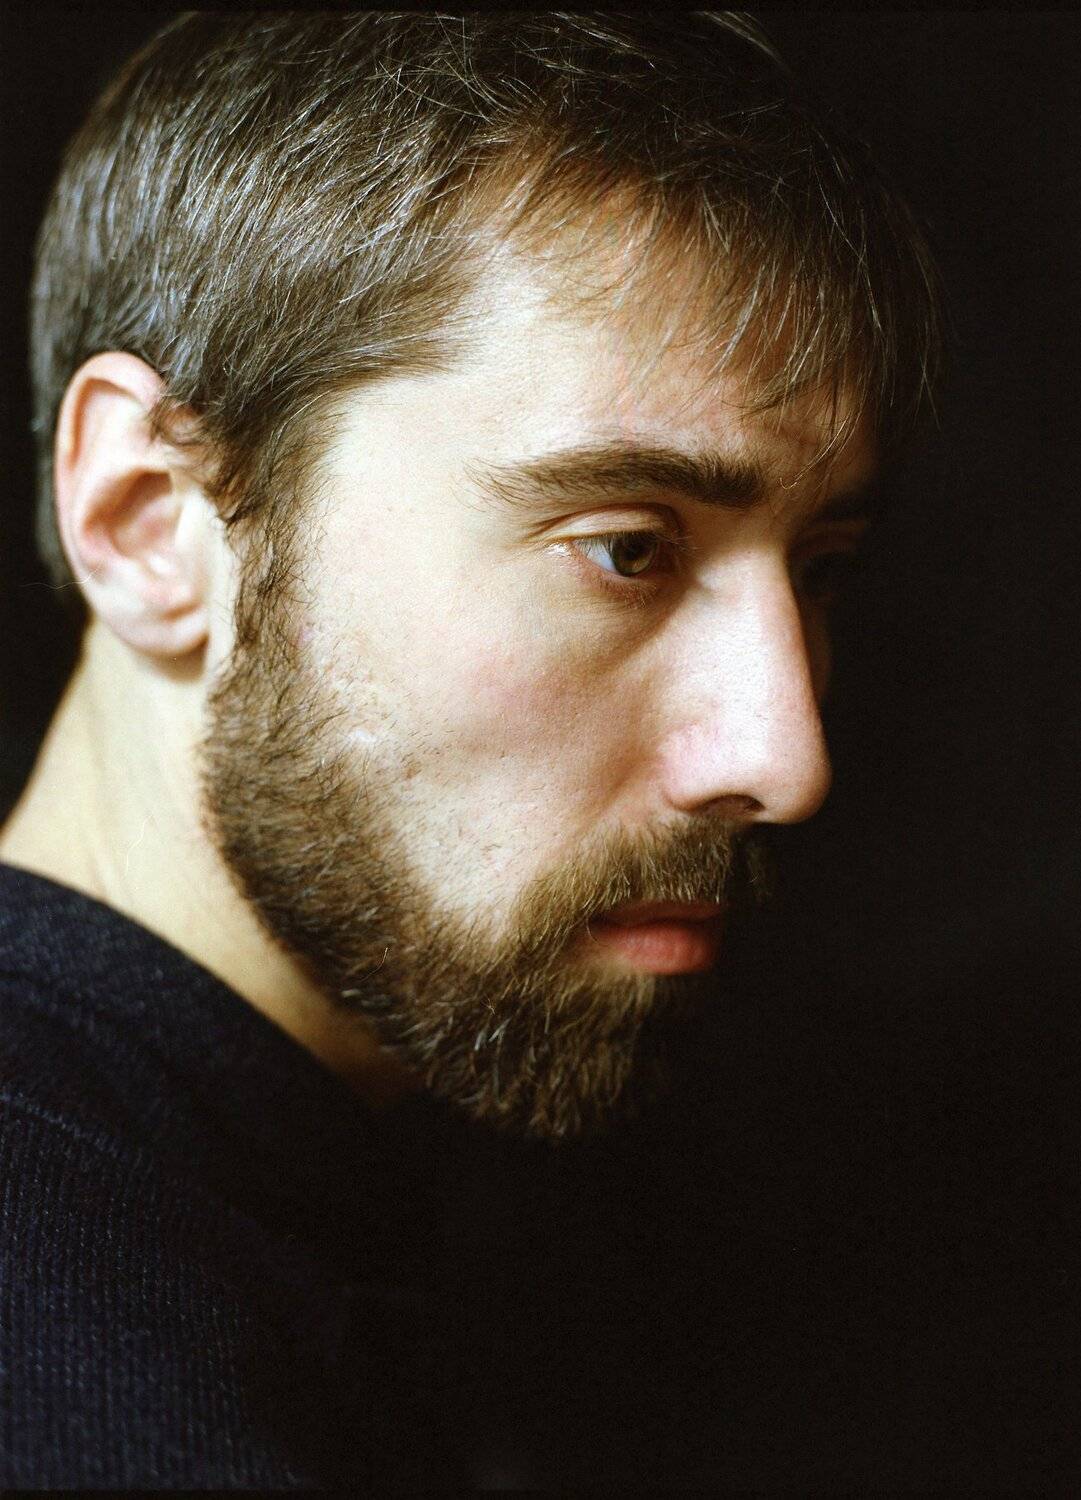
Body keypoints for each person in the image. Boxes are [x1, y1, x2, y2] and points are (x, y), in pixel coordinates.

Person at [0, 11, 942, 1487]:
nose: (785, 754)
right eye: (629, 548)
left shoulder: (328, 1230)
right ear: (146, 521)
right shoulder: (85, 1390)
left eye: (819, 568)